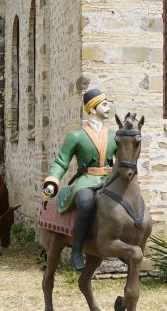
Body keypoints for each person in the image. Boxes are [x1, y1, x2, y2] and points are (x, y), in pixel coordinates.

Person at [42, 88, 117, 270]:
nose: (108, 107)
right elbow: (61, 162)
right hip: (87, 180)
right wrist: (52, 181)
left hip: (109, 180)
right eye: (104, 104)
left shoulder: (115, 136)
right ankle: (77, 250)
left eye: (108, 104)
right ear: (92, 109)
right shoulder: (76, 136)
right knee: (85, 203)